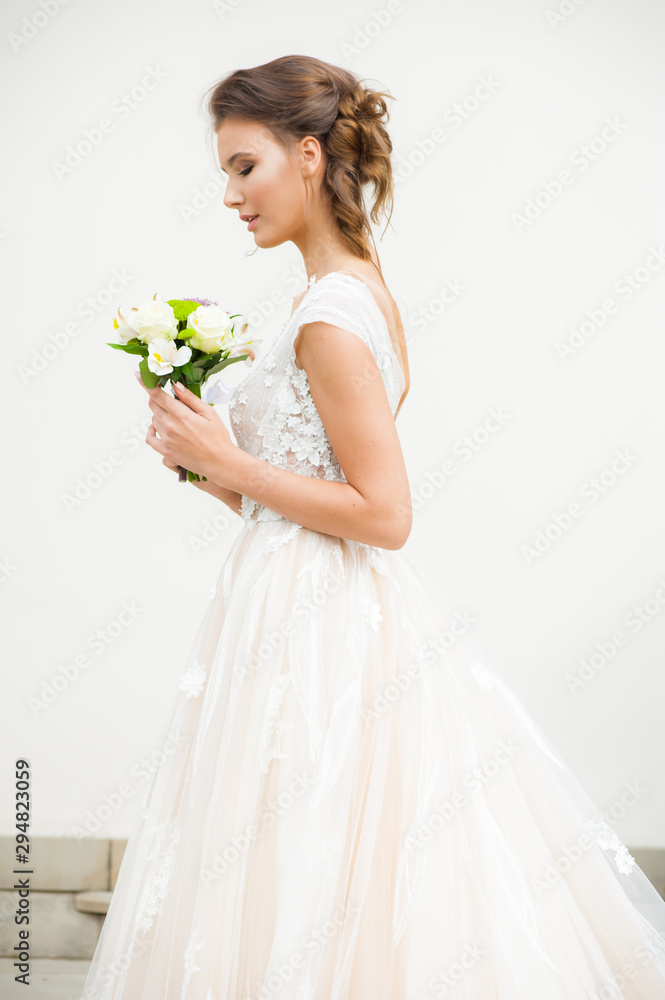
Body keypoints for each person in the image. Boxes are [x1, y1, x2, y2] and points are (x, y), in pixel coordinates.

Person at [81, 54, 665, 1000]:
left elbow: (382, 516)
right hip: (296, 603)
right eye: (224, 172)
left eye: (244, 166)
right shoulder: (350, 287)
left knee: (308, 850)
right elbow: (314, 502)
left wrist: (231, 461)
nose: (230, 194)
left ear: (308, 155)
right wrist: (209, 472)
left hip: (320, 630)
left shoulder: (330, 314)